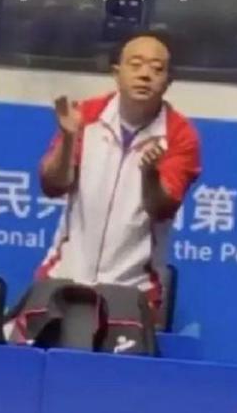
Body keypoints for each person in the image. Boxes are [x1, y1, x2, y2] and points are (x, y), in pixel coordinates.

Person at [37, 31, 201, 311]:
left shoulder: (180, 134)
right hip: (63, 277)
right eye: (135, 65)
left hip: (134, 291)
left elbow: (162, 208)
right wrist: (68, 140)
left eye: (156, 69)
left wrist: (149, 174)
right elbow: (52, 186)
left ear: (168, 82)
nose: (145, 75)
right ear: (117, 73)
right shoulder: (86, 115)